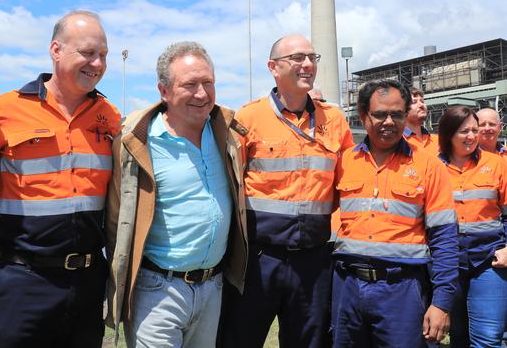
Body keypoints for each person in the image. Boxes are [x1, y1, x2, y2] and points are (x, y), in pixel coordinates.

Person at [0, 11, 120, 347]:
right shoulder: (4, 110)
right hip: (24, 282)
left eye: (104, 55)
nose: (97, 63)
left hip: (87, 282)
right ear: (56, 50)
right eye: (87, 52)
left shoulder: (110, 118)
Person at [105, 41, 248, 348]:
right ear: (164, 91)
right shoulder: (135, 142)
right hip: (157, 290)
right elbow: (116, 221)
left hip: (213, 286)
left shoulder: (228, 133)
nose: (201, 93)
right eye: (190, 84)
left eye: (208, 83)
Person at [219, 34, 354, 348]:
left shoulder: (333, 119)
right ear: (273, 67)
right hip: (259, 261)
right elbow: (229, 185)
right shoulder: (248, 118)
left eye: (312, 57)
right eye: (297, 58)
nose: (307, 64)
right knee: (239, 339)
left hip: (314, 262)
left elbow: (346, 183)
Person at [332, 79, 458, 347]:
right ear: (363, 115)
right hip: (347, 287)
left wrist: (442, 303)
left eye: (397, 114)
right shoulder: (343, 162)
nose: (388, 122)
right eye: (379, 114)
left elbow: (445, 237)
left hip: (401, 290)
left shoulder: (429, 166)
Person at [436, 106, 507, 347]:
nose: (471, 136)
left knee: (488, 337)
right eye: (463, 131)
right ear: (447, 134)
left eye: (474, 131)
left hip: (489, 260)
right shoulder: (432, 167)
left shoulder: (496, 164)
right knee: (458, 336)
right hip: (447, 262)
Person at [404, 87, 439, 155]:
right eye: (414, 102)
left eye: (422, 101)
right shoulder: (397, 142)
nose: (421, 105)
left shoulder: (438, 141)